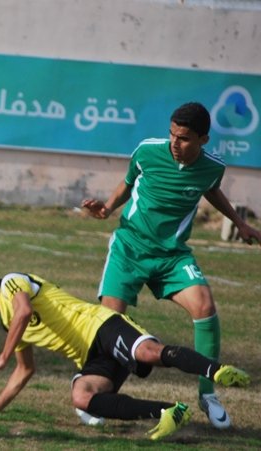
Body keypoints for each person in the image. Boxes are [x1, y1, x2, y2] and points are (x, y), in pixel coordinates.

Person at [81, 102, 261, 429]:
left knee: (204, 306)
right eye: (172, 135)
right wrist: (107, 208)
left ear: (203, 140)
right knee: (110, 324)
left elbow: (211, 190)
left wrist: (239, 223)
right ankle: (96, 395)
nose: (175, 143)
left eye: (184, 138)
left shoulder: (212, 167)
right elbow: (128, 182)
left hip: (172, 255)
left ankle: (208, 395)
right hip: (130, 248)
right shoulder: (148, 151)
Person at [0, 263, 249, 441]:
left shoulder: (13, 283)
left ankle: (217, 370)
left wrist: (1, 358)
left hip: (101, 325)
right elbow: (25, 369)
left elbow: (24, 311)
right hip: (93, 358)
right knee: (81, 396)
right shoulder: (9, 325)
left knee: (149, 353)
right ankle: (169, 411)